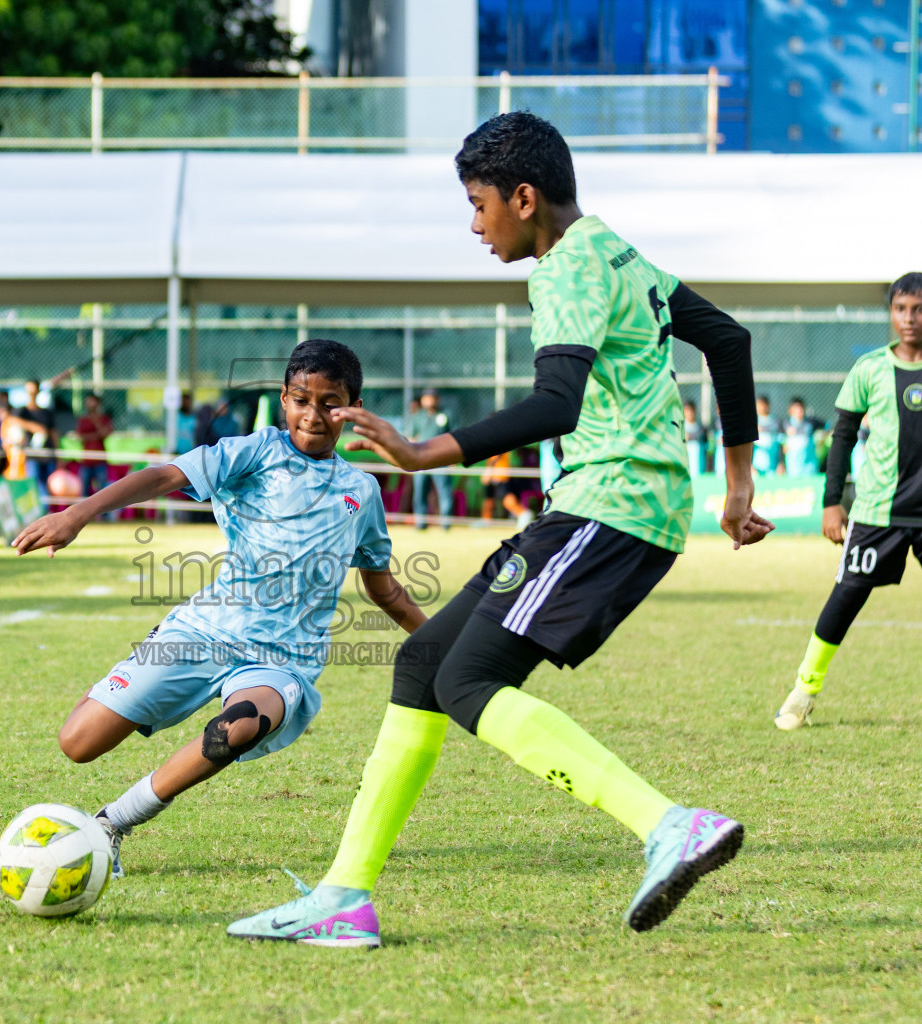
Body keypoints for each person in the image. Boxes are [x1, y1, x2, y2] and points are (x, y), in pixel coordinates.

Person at [229, 112, 770, 947]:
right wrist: (737, 486)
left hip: (610, 506)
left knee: (468, 683)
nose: (474, 224)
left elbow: (558, 403)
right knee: (423, 664)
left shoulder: (565, 270)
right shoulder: (619, 251)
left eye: (480, 204)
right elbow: (727, 342)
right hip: (614, 506)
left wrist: (421, 453)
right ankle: (344, 897)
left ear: (524, 198)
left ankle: (668, 824)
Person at [11, 339, 426, 879]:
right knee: (78, 743)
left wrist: (442, 638)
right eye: (302, 399)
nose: (314, 414)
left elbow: (384, 587)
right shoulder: (253, 452)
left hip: (282, 661)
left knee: (243, 723)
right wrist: (79, 513)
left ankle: (111, 824)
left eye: (331, 403)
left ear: (352, 409)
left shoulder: (360, 491)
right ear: (283, 399)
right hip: (205, 631)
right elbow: (162, 476)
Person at [774, 272, 922, 735]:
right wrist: (831, 502)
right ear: (891, 312)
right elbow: (842, 437)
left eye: (921, 309)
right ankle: (802, 693)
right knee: (843, 601)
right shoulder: (868, 368)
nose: (910, 318)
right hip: (876, 513)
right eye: (901, 309)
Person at [407, 390, 453, 529]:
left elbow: (453, 435)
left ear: (437, 399)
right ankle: (421, 523)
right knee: (420, 492)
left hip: (441, 460)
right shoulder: (418, 416)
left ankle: (446, 524)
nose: (430, 401)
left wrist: (452, 458)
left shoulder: (446, 414)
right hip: (422, 460)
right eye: (427, 398)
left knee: (444, 492)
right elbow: (411, 437)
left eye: (432, 398)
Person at [7, 379, 57, 497]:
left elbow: (53, 432)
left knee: (47, 485)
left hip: (47, 455)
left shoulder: (46, 412)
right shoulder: (21, 411)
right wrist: (36, 428)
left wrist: (57, 455)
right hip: (32, 456)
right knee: (34, 485)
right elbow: (12, 420)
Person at [75, 392, 114, 496]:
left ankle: (104, 513)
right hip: (86, 460)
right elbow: (80, 437)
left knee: (102, 492)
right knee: (84, 492)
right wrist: (96, 435)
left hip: (100, 460)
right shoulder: (83, 419)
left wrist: (95, 421)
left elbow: (105, 433)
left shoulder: (103, 418)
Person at [781, 397, 820, 476]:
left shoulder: (811, 423)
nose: (799, 410)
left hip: (809, 469)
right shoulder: (785, 425)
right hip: (793, 469)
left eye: (800, 407)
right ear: (790, 410)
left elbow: (827, 427)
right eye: (796, 408)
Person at [754, 394, 782, 476]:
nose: (759, 408)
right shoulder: (753, 422)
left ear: (767, 406)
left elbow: (780, 443)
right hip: (757, 465)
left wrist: (780, 463)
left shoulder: (775, 422)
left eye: (761, 405)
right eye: (757, 405)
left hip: (772, 465)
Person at [683, 399, 708, 475]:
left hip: (698, 460)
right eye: (687, 411)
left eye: (691, 410)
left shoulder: (700, 427)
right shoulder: (681, 426)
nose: (689, 413)